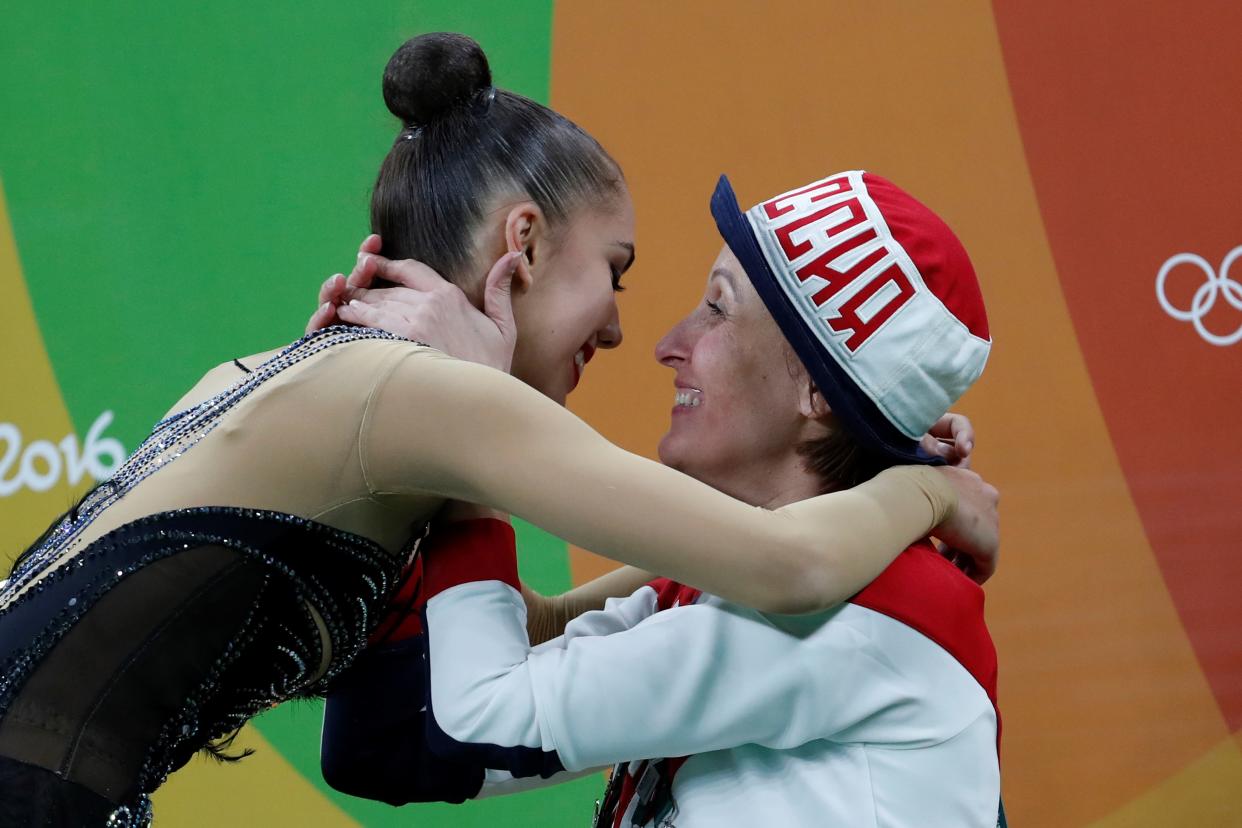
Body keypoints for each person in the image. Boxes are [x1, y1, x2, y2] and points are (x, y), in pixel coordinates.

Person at [0, 34, 996, 828]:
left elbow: (440, 702)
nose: (634, 331)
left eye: (714, 305)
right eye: (619, 269)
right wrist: (930, 489)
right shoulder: (435, 400)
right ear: (520, 247)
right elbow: (778, 565)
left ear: (818, 391)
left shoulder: (372, 388)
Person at [318, 169, 1002, 826]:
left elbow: (475, 725)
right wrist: (391, 444)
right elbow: (394, 749)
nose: (669, 346)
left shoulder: (859, 611)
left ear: (816, 392)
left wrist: (465, 408)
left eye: (718, 308)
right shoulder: (715, 588)